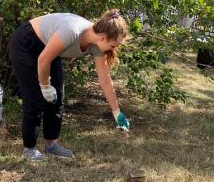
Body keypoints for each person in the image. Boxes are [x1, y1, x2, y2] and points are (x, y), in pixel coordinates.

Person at [9, 9, 130, 161]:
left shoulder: (97, 45)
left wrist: (117, 113)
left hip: (48, 49)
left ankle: (52, 145)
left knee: (58, 97)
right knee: (35, 99)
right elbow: (43, 60)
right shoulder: (71, 31)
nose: (114, 49)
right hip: (27, 43)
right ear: (103, 37)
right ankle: (29, 149)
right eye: (113, 45)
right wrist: (45, 85)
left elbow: (105, 80)